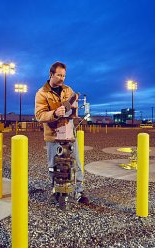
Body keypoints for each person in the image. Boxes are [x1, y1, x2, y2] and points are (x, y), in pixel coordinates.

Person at [35, 61, 89, 204]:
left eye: (64, 76)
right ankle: (56, 190)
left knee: (75, 163)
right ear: (51, 74)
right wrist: (55, 113)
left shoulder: (68, 90)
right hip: (53, 135)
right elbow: (39, 115)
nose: (62, 78)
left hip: (69, 134)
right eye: (59, 75)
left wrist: (74, 109)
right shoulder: (42, 93)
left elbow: (72, 108)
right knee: (54, 165)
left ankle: (79, 191)